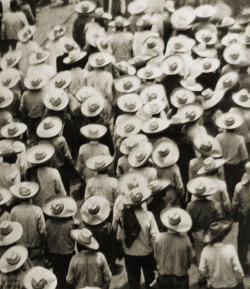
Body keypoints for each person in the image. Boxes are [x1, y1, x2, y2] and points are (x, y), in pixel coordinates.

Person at [114, 172, 158, 289]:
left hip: (130, 254)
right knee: (150, 280)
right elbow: (155, 238)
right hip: (146, 253)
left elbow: (119, 236)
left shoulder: (123, 215)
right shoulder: (148, 215)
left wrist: (125, 245)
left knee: (133, 283)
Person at [199, 218, 244, 289]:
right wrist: (240, 280)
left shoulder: (205, 250)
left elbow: (202, 270)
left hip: (215, 285)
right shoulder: (230, 248)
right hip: (231, 285)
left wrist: (209, 277)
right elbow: (238, 270)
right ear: (223, 235)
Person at [43, 195, 77, 289]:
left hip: (54, 254)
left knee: (57, 275)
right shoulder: (71, 224)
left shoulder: (48, 224)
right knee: (69, 276)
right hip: (68, 253)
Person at [10, 181, 47, 267]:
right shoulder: (37, 210)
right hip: (36, 247)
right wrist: (45, 243)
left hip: (20, 247)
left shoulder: (14, 211)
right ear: (31, 196)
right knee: (37, 270)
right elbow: (42, 231)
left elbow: (12, 231)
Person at [154, 208, 192, 289]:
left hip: (164, 275)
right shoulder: (185, 240)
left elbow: (156, 255)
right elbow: (189, 259)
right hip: (180, 275)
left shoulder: (159, 238)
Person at [232, 162, 250, 270]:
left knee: (242, 239)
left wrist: (233, 215)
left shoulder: (239, 187)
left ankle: (242, 261)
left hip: (244, 217)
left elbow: (235, 204)